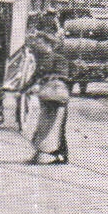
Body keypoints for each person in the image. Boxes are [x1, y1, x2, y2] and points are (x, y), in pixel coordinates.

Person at [28, 30, 71, 164]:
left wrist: (46, 79)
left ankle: (60, 156)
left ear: (48, 44)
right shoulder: (40, 60)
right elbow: (33, 77)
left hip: (57, 97)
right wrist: (23, 89)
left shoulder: (59, 59)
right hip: (45, 97)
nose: (37, 45)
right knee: (43, 126)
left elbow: (63, 75)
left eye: (40, 42)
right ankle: (39, 155)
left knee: (56, 127)